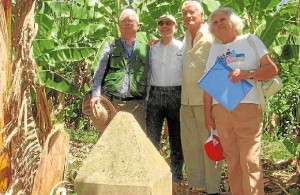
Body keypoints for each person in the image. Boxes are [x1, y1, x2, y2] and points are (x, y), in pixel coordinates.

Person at [204, 7, 280, 195]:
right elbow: (208, 85)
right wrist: (207, 115)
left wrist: (248, 74)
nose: (219, 24)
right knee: (233, 161)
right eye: (215, 22)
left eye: (223, 20)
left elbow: (272, 69)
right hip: (221, 110)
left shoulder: (250, 41)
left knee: (249, 160)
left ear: (233, 22)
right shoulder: (214, 49)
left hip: (247, 108)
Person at [180, 1, 222, 194]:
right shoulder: (185, 36)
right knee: (191, 147)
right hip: (186, 101)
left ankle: (213, 189)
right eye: (185, 13)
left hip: (207, 102)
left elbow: (220, 70)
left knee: (210, 146)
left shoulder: (213, 36)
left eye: (192, 12)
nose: (188, 16)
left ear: (202, 14)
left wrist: (213, 106)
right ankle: (197, 187)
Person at [90, 8, 149, 131]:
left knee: (135, 144)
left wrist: (147, 102)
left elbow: (149, 77)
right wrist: (95, 95)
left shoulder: (147, 49)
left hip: (137, 106)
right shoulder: (111, 46)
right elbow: (99, 74)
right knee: (109, 142)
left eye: (130, 21)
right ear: (119, 25)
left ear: (138, 26)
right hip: (112, 103)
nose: (127, 23)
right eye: (123, 21)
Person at [146, 13, 184, 183]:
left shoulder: (183, 48)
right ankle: (152, 173)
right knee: (152, 137)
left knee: (177, 138)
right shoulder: (151, 48)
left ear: (175, 27)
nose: (165, 26)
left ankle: (176, 175)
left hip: (176, 94)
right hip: (155, 95)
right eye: (161, 23)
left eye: (169, 23)